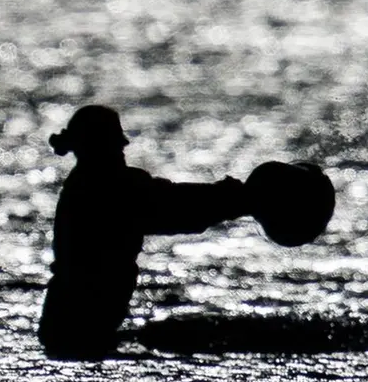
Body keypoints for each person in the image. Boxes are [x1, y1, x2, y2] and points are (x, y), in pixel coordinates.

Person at [39, 105, 253, 359]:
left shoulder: (87, 184)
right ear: (101, 148)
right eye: (117, 147)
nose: (121, 154)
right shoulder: (108, 190)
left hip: (70, 326)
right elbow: (177, 207)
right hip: (78, 329)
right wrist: (236, 198)